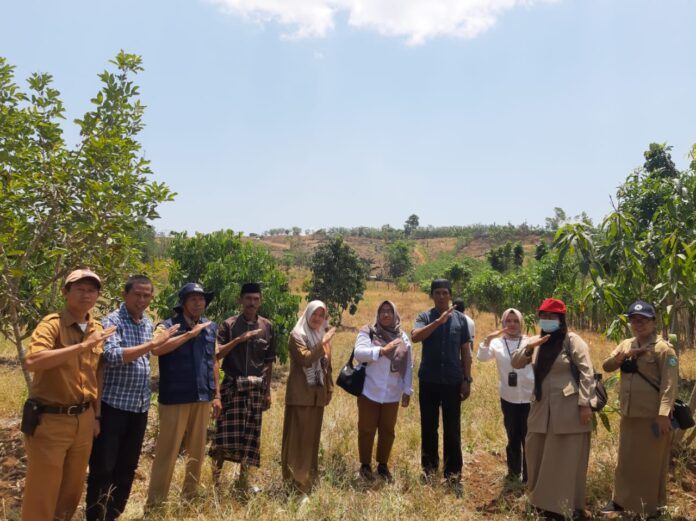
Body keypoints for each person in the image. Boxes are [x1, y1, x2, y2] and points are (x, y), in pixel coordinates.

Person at [21, 269, 116, 521]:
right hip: (51, 419)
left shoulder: (96, 326)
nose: (87, 295)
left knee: (71, 491)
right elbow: (32, 360)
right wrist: (84, 345)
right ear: (66, 293)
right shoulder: (52, 324)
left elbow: (97, 373)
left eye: (92, 290)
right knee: (43, 492)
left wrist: (96, 416)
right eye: (80, 289)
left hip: (84, 419)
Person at [85, 275, 179, 521]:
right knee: (104, 466)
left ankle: (113, 514)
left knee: (127, 466)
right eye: (137, 294)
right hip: (113, 406)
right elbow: (113, 356)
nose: (142, 299)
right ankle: (96, 516)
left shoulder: (147, 323)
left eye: (147, 295)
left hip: (139, 407)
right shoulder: (112, 321)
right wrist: (152, 344)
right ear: (125, 294)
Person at [511, 298, 595, 520]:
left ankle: (563, 506)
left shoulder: (572, 341)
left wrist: (585, 403)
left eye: (552, 317)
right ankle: (540, 501)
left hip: (568, 411)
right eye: (544, 316)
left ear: (561, 319)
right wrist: (530, 348)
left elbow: (587, 373)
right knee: (535, 452)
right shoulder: (535, 341)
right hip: (540, 410)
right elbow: (516, 362)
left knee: (564, 459)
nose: (547, 321)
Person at [145, 283, 222, 509]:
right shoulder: (167, 326)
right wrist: (188, 335)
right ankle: (155, 505)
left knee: (197, 452)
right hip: (175, 398)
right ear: (183, 303)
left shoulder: (210, 327)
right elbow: (156, 349)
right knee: (167, 453)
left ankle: (189, 500)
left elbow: (213, 362)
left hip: (202, 397)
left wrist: (216, 394)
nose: (198, 303)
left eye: (201, 299)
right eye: (193, 299)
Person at [600, 300, 679, 517]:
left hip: (652, 417)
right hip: (629, 414)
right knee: (625, 461)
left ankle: (649, 507)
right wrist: (626, 355)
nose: (638, 324)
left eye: (644, 320)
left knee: (650, 464)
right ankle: (620, 501)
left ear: (653, 322)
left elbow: (669, 384)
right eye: (634, 321)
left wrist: (664, 414)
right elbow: (607, 366)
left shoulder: (663, 349)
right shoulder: (626, 344)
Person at [210, 282, 276, 490]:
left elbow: (269, 362)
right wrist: (239, 339)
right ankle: (215, 480)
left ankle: (242, 481)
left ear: (261, 301)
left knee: (250, 436)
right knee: (223, 436)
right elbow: (217, 354)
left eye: (256, 299)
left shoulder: (267, 326)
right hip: (232, 386)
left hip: (256, 390)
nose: (252, 303)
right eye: (248, 299)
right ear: (240, 300)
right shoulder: (228, 325)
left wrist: (267, 391)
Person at [411, 279, 472, 487]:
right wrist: (438, 323)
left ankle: (453, 473)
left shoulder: (461, 320)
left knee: (452, 428)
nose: (441, 296)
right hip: (429, 381)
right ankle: (428, 470)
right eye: (437, 293)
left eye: (445, 293)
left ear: (450, 295)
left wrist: (466, 379)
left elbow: (465, 351)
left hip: (453, 382)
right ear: (432, 295)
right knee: (429, 427)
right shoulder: (424, 317)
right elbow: (415, 337)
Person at [353, 300, 413, 483]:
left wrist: (407, 390)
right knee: (366, 429)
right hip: (369, 390)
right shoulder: (368, 332)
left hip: (392, 393)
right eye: (382, 311)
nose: (386, 314)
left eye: (389, 311)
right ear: (378, 314)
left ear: (395, 315)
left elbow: (408, 365)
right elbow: (359, 353)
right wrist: (381, 350)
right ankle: (365, 465)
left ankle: (383, 465)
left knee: (388, 430)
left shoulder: (402, 337)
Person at [281, 300, 335, 494]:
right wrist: (323, 343)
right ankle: (294, 481)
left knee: (311, 439)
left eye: (322, 315)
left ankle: (308, 479)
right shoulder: (297, 335)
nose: (318, 319)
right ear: (307, 314)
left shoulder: (322, 336)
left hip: (317, 396)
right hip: (300, 395)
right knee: (297, 437)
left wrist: (329, 389)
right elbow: (305, 359)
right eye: (315, 314)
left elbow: (327, 366)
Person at [477, 308, 534, 483]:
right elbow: (482, 357)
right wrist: (488, 339)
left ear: (521, 323)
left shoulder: (530, 341)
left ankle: (529, 476)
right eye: (508, 321)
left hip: (529, 397)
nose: (512, 324)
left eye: (516, 321)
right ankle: (513, 472)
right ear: (502, 323)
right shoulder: (497, 343)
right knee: (513, 435)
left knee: (529, 437)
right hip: (508, 397)